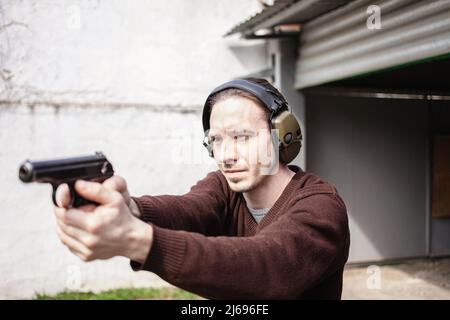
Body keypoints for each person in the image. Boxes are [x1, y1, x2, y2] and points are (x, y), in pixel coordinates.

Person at [54, 78, 350, 299]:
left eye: (242, 137)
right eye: (217, 140)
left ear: (282, 137)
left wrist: (138, 241)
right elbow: (188, 208)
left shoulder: (321, 206)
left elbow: (266, 267)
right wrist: (129, 208)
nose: (225, 155)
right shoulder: (223, 187)